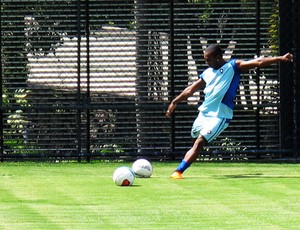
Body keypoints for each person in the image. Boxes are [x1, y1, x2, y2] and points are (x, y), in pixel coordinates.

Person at [166, 44, 293, 179]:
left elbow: (258, 62)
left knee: (200, 141)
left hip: (220, 115)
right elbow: (190, 90)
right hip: (204, 114)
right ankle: (183, 165)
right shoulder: (207, 73)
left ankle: (178, 171)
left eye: (208, 59)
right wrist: (175, 101)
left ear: (218, 57)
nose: (206, 62)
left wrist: (280, 58)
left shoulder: (232, 67)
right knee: (195, 138)